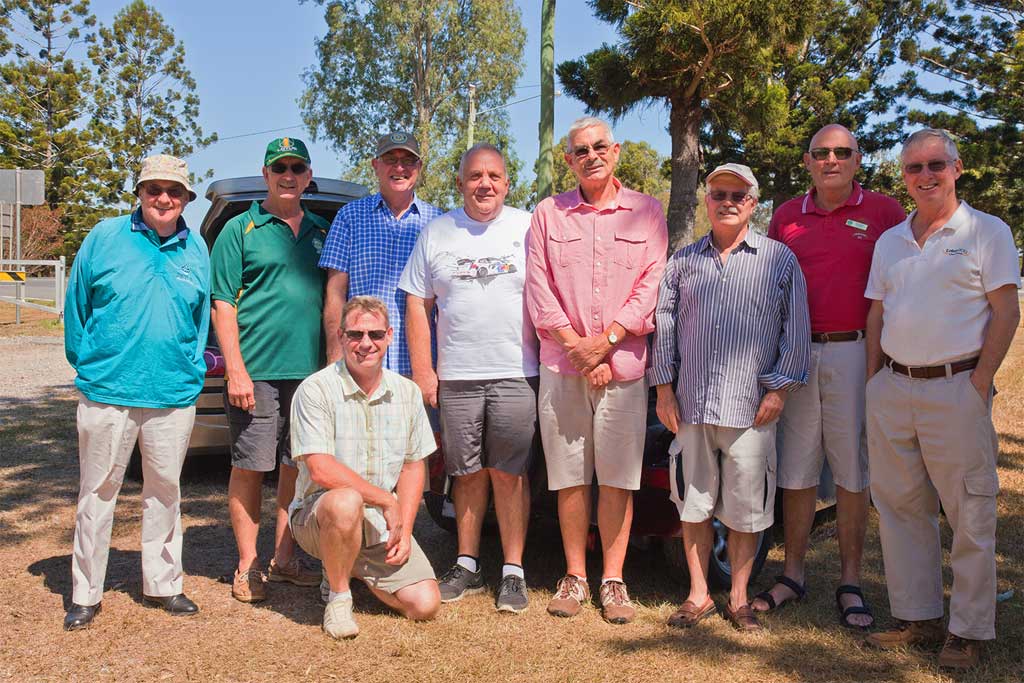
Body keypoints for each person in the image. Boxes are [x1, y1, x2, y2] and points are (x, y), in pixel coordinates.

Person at [862, 128, 1020, 669]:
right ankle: (919, 617)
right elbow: (877, 312)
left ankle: (968, 630)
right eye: (914, 168)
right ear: (903, 177)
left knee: (969, 511)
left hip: (957, 388)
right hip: (893, 389)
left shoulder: (987, 231)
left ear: (956, 168)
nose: (925, 175)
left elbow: (1006, 311)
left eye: (935, 165)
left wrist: (980, 381)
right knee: (901, 508)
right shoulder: (891, 241)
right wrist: (874, 381)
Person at [754, 124, 906, 628]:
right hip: (797, 354)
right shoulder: (785, 216)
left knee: (851, 472)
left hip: (856, 353)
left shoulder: (885, 212)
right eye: (821, 153)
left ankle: (850, 581)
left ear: (858, 159)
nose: (831, 160)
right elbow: (770, 289)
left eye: (842, 152)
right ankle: (792, 574)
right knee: (796, 470)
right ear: (808, 161)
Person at [649, 163, 810, 633]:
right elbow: (666, 327)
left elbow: (796, 330)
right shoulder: (683, 261)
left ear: (753, 204)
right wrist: (663, 389)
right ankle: (698, 594)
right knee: (693, 504)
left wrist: (779, 389)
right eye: (718, 193)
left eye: (738, 195)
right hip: (691, 406)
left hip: (750, 408)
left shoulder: (779, 260)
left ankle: (739, 598)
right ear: (706, 200)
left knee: (747, 510)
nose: (727, 202)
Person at [525, 117, 668, 624]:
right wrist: (580, 352)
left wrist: (604, 345)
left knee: (617, 480)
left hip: (623, 368)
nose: (592, 156)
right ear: (568, 160)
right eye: (581, 150)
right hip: (563, 366)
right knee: (568, 478)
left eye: (600, 146)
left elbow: (651, 284)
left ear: (617, 150)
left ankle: (613, 579)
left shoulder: (648, 212)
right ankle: (574, 576)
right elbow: (539, 288)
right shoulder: (548, 214)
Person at [63, 154, 210, 629]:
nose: (164, 198)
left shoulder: (196, 248)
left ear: (186, 198)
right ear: (139, 193)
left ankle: (164, 584)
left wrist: (189, 369)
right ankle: (86, 593)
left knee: (165, 491)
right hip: (108, 390)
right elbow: (77, 306)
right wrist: (90, 364)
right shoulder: (104, 237)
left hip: (172, 393)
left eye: (174, 191)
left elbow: (200, 319)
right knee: (97, 492)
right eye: (154, 189)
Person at [400, 143, 539, 613]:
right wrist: (424, 370)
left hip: (517, 372)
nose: (485, 184)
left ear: (507, 183)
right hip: (457, 377)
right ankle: (467, 564)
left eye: (494, 176)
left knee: (510, 473)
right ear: (460, 183)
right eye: (475, 176)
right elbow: (417, 302)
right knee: (466, 472)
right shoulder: (438, 232)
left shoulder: (528, 228)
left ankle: (514, 571)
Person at [210, 138, 326, 602]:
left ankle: (284, 559)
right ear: (266, 174)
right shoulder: (239, 229)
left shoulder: (321, 230)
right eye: (280, 167)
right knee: (250, 467)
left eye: (297, 168)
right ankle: (248, 565)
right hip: (256, 372)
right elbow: (222, 304)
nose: (288, 175)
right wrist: (235, 370)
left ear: (307, 176)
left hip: (310, 376)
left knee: (295, 467)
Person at [288, 296, 441, 639]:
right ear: (340, 337)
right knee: (346, 500)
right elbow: (320, 470)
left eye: (375, 334)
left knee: (425, 605)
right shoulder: (315, 390)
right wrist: (387, 500)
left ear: (389, 336)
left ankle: (348, 563)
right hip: (319, 515)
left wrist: (405, 527)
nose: (365, 343)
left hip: (377, 525)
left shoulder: (407, 392)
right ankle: (339, 597)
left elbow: (413, 465)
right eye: (355, 334)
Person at [320, 131, 444, 371]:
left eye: (408, 160)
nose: (400, 167)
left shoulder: (438, 222)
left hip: (418, 367)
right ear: (375, 165)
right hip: (361, 362)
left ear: (419, 167)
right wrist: (335, 362)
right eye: (390, 159)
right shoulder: (349, 217)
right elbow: (335, 294)